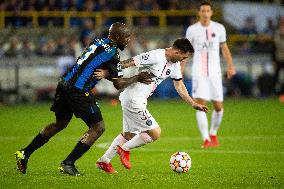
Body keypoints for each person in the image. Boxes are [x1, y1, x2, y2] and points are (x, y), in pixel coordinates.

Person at [15, 22, 153, 176]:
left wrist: (107, 73)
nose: (129, 39)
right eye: (126, 36)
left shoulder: (98, 41)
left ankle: (25, 153)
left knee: (60, 123)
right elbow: (119, 84)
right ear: (117, 36)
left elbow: (92, 63)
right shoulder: (113, 53)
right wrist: (138, 77)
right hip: (78, 89)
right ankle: (68, 163)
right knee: (98, 127)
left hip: (65, 83)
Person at [95, 38, 208, 173]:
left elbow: (179, 85)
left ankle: (104, 161)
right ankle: (124, 149)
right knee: (155, 133)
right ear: (177, 51)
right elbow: (129, 62)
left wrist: (193, 103)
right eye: (183, 57)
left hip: (138, 99)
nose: (183, 60)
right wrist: (108, 72)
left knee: (128, 135)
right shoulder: (156, 56)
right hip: (133, 99)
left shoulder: (175, 65)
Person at [185, 1, 236, 148]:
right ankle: (206, 139)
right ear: (199, 13)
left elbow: (224, 48)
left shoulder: (219, 28)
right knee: (200, 105)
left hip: (215, 72)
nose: (205, 13)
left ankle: (213, 133)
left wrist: (231, 66)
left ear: (211, 13)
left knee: (218, 107)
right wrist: (180, 68)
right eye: (203, 10)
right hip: (199, 72)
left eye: (208, 10)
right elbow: (186, 51)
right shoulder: (192, 30)